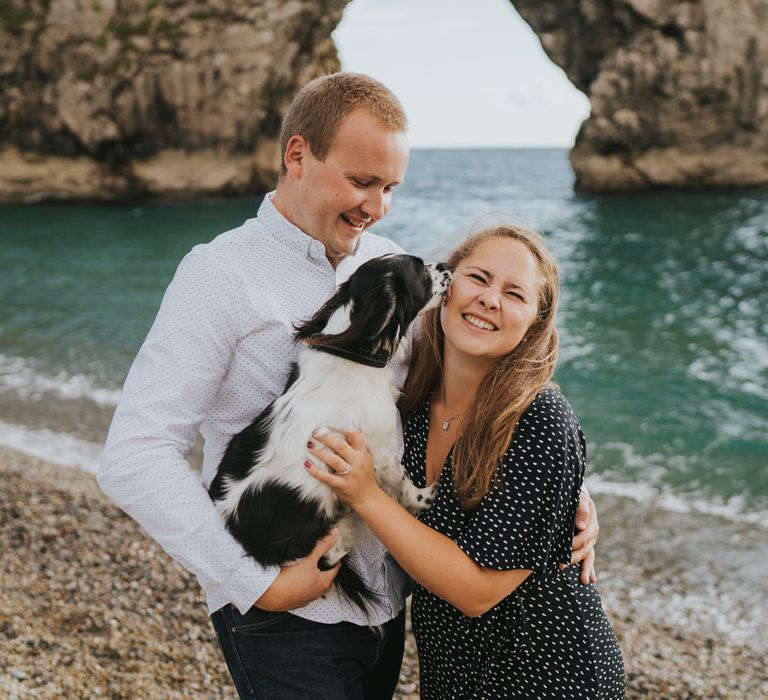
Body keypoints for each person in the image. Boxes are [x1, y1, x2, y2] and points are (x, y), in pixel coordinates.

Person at [98, 72, 600, 700]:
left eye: (390, 187)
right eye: (362, 182)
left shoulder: (387, 264)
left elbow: (466, 391)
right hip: (287, 613)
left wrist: (563, 494)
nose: (377, 206)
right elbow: (134, 454)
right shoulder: (217, 276)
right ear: (298, 155)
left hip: (390, 605)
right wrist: (254, 585)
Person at [307, 225, 625, 698]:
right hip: (454, 670)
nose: (490, 299)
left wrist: (367, 495)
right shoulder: (410, 402)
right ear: (445, 285)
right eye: (478, 277)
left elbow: (476, 591)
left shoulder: (539, 418)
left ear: (535, 323)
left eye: (514, 293)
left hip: (551, 673)